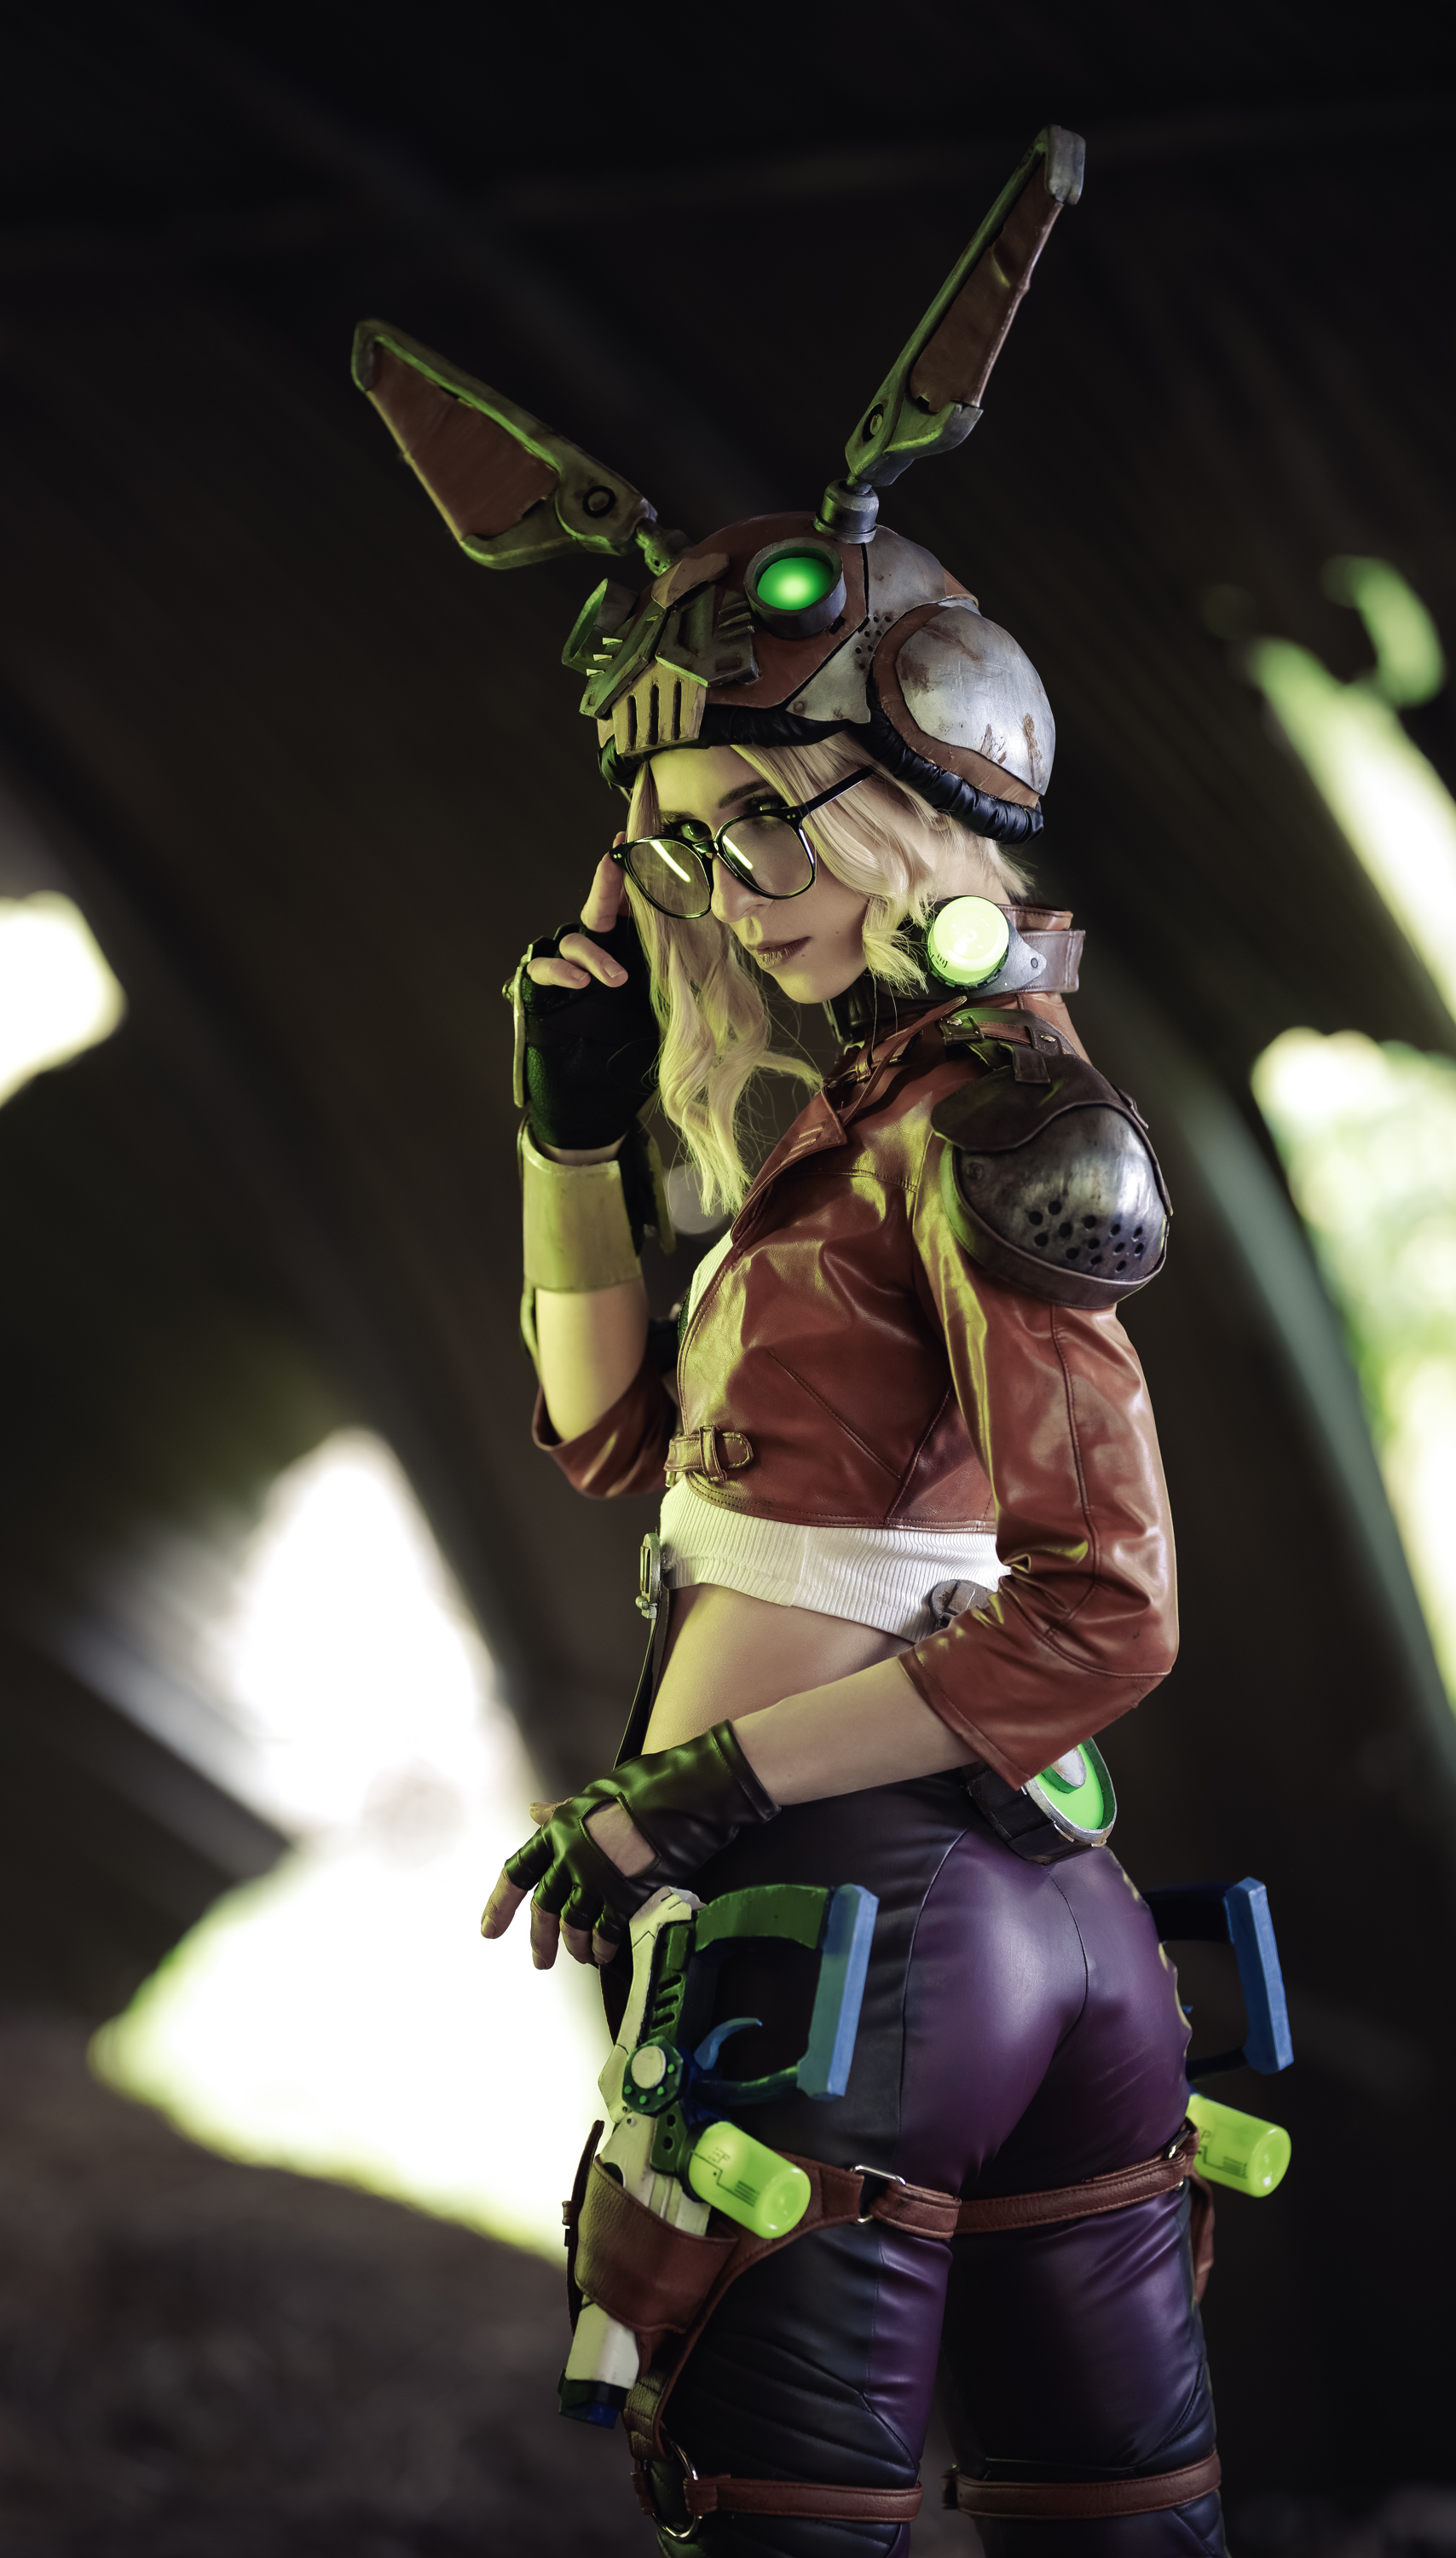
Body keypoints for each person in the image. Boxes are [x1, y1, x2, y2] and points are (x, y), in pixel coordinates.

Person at [355, 123, 1221, 2557]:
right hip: (1018, 1932)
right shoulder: (860, 1129)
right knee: (1115, 2516)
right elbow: (614, 1439)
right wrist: (574, 1126)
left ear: (921, 793)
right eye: (693, 829)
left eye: (781, 818)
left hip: (855, 1931)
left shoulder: (991, 1123)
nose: (738, 884)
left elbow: (1106, 1614)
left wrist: (685, 1798)